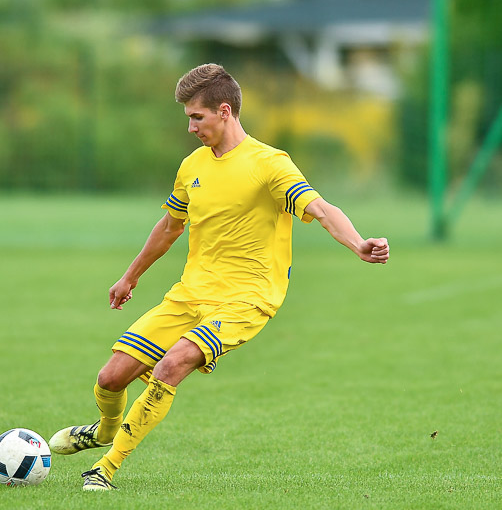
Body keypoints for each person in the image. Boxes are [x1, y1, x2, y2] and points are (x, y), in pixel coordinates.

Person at [49, 63, 390, 491]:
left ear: (224, 111)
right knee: (110, 378)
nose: (191, 127)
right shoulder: (192, 165)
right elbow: (170, 227)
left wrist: (358, 243)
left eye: (197, 117)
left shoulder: (270, 164)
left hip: (248, 299)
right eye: (188, 118)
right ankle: (104, 431)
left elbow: (321, 209)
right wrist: (129, 276)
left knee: (171, 365)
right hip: (190, 294)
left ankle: (106, 469)